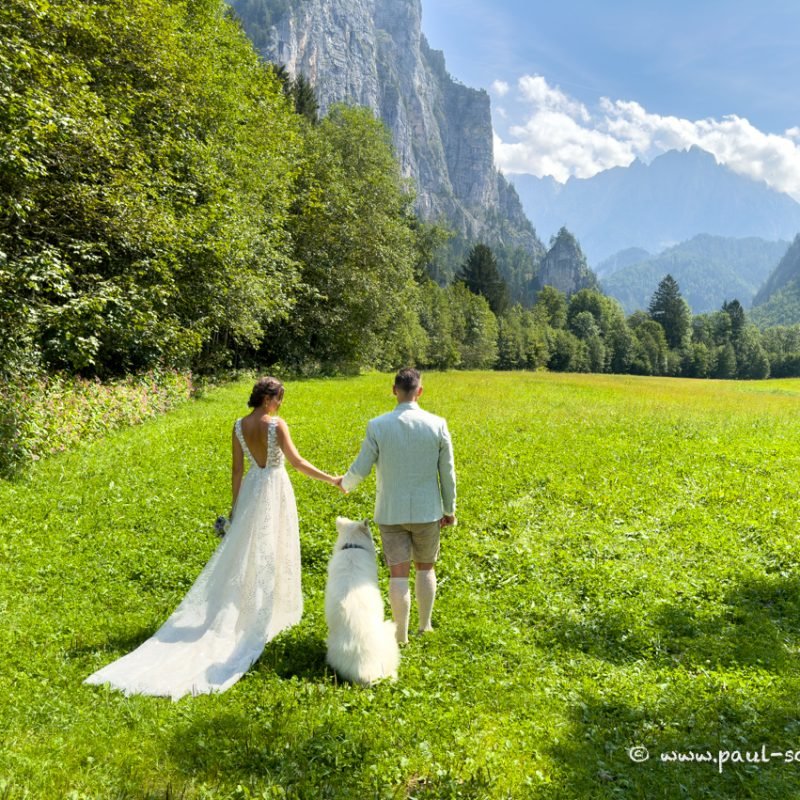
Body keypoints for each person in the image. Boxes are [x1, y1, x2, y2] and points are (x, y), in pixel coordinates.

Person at [85, 376, 341, 700]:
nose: (281, 404)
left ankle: (253, 605)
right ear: (268, 399)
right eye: (279, 399)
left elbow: (237, 471)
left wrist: (236, 509)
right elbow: (298, 463)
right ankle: (263, 612)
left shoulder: (238, 426)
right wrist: (332, 479)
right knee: (270, 550)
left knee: (247, 552)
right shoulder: (276, 425)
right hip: (275, 489)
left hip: (251, 490)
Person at [341, 368, 456, 644]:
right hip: (428, 512)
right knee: (426, 568)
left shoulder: (377, 425)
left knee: (398, 573)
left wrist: (345, 483)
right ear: (420, 391)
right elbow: (447, 472)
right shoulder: (437, 424)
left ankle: (400, 635)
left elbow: (362, 467)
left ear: (394, 390)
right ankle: (424, 626)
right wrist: (449, 509)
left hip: (390, 512)